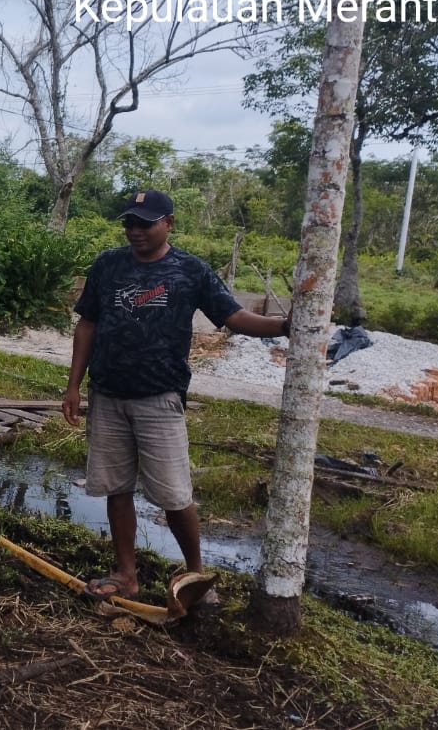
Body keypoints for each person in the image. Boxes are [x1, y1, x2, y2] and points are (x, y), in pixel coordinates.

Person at [61, 189, 288, 604]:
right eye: (129, 223)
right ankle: (126, 574)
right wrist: (73, 386)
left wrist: (285, 327)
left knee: (174, 494)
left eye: (144, 224)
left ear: (168, 223)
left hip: (159, 398)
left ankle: (196, 578)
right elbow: (87, 325)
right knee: (116, 487)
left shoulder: (191, 270)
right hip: (108, 394)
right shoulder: (108, 265)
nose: (135, 231)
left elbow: (233, 317)